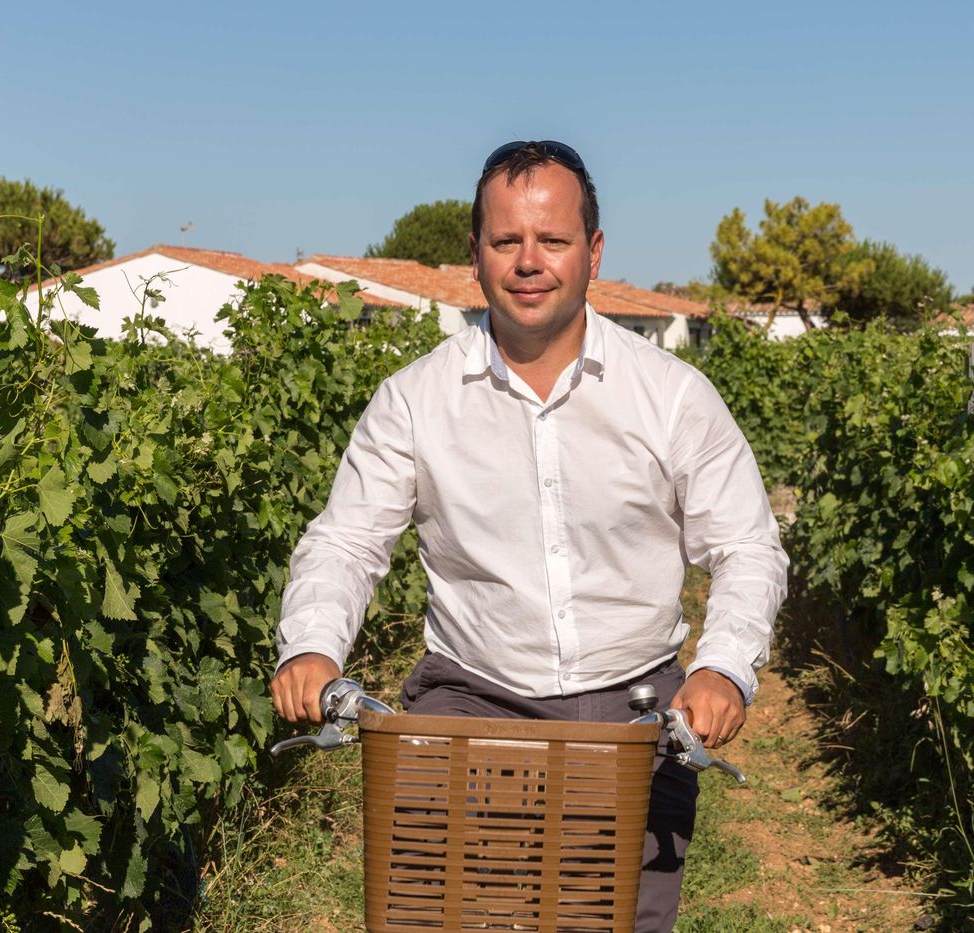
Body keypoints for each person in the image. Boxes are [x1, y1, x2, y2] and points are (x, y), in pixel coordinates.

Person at [271, 140, 788, 932]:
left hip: (632, 715)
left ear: (594, 252)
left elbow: (748, 545)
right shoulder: (414, 401)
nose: (529, 261)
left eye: (553, 239)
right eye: (506, 240)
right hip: (467, 705)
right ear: (475, 256)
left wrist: (722, 669)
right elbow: (346, 540)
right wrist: (310, 644)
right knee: (437, 918)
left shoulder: (672, 397)